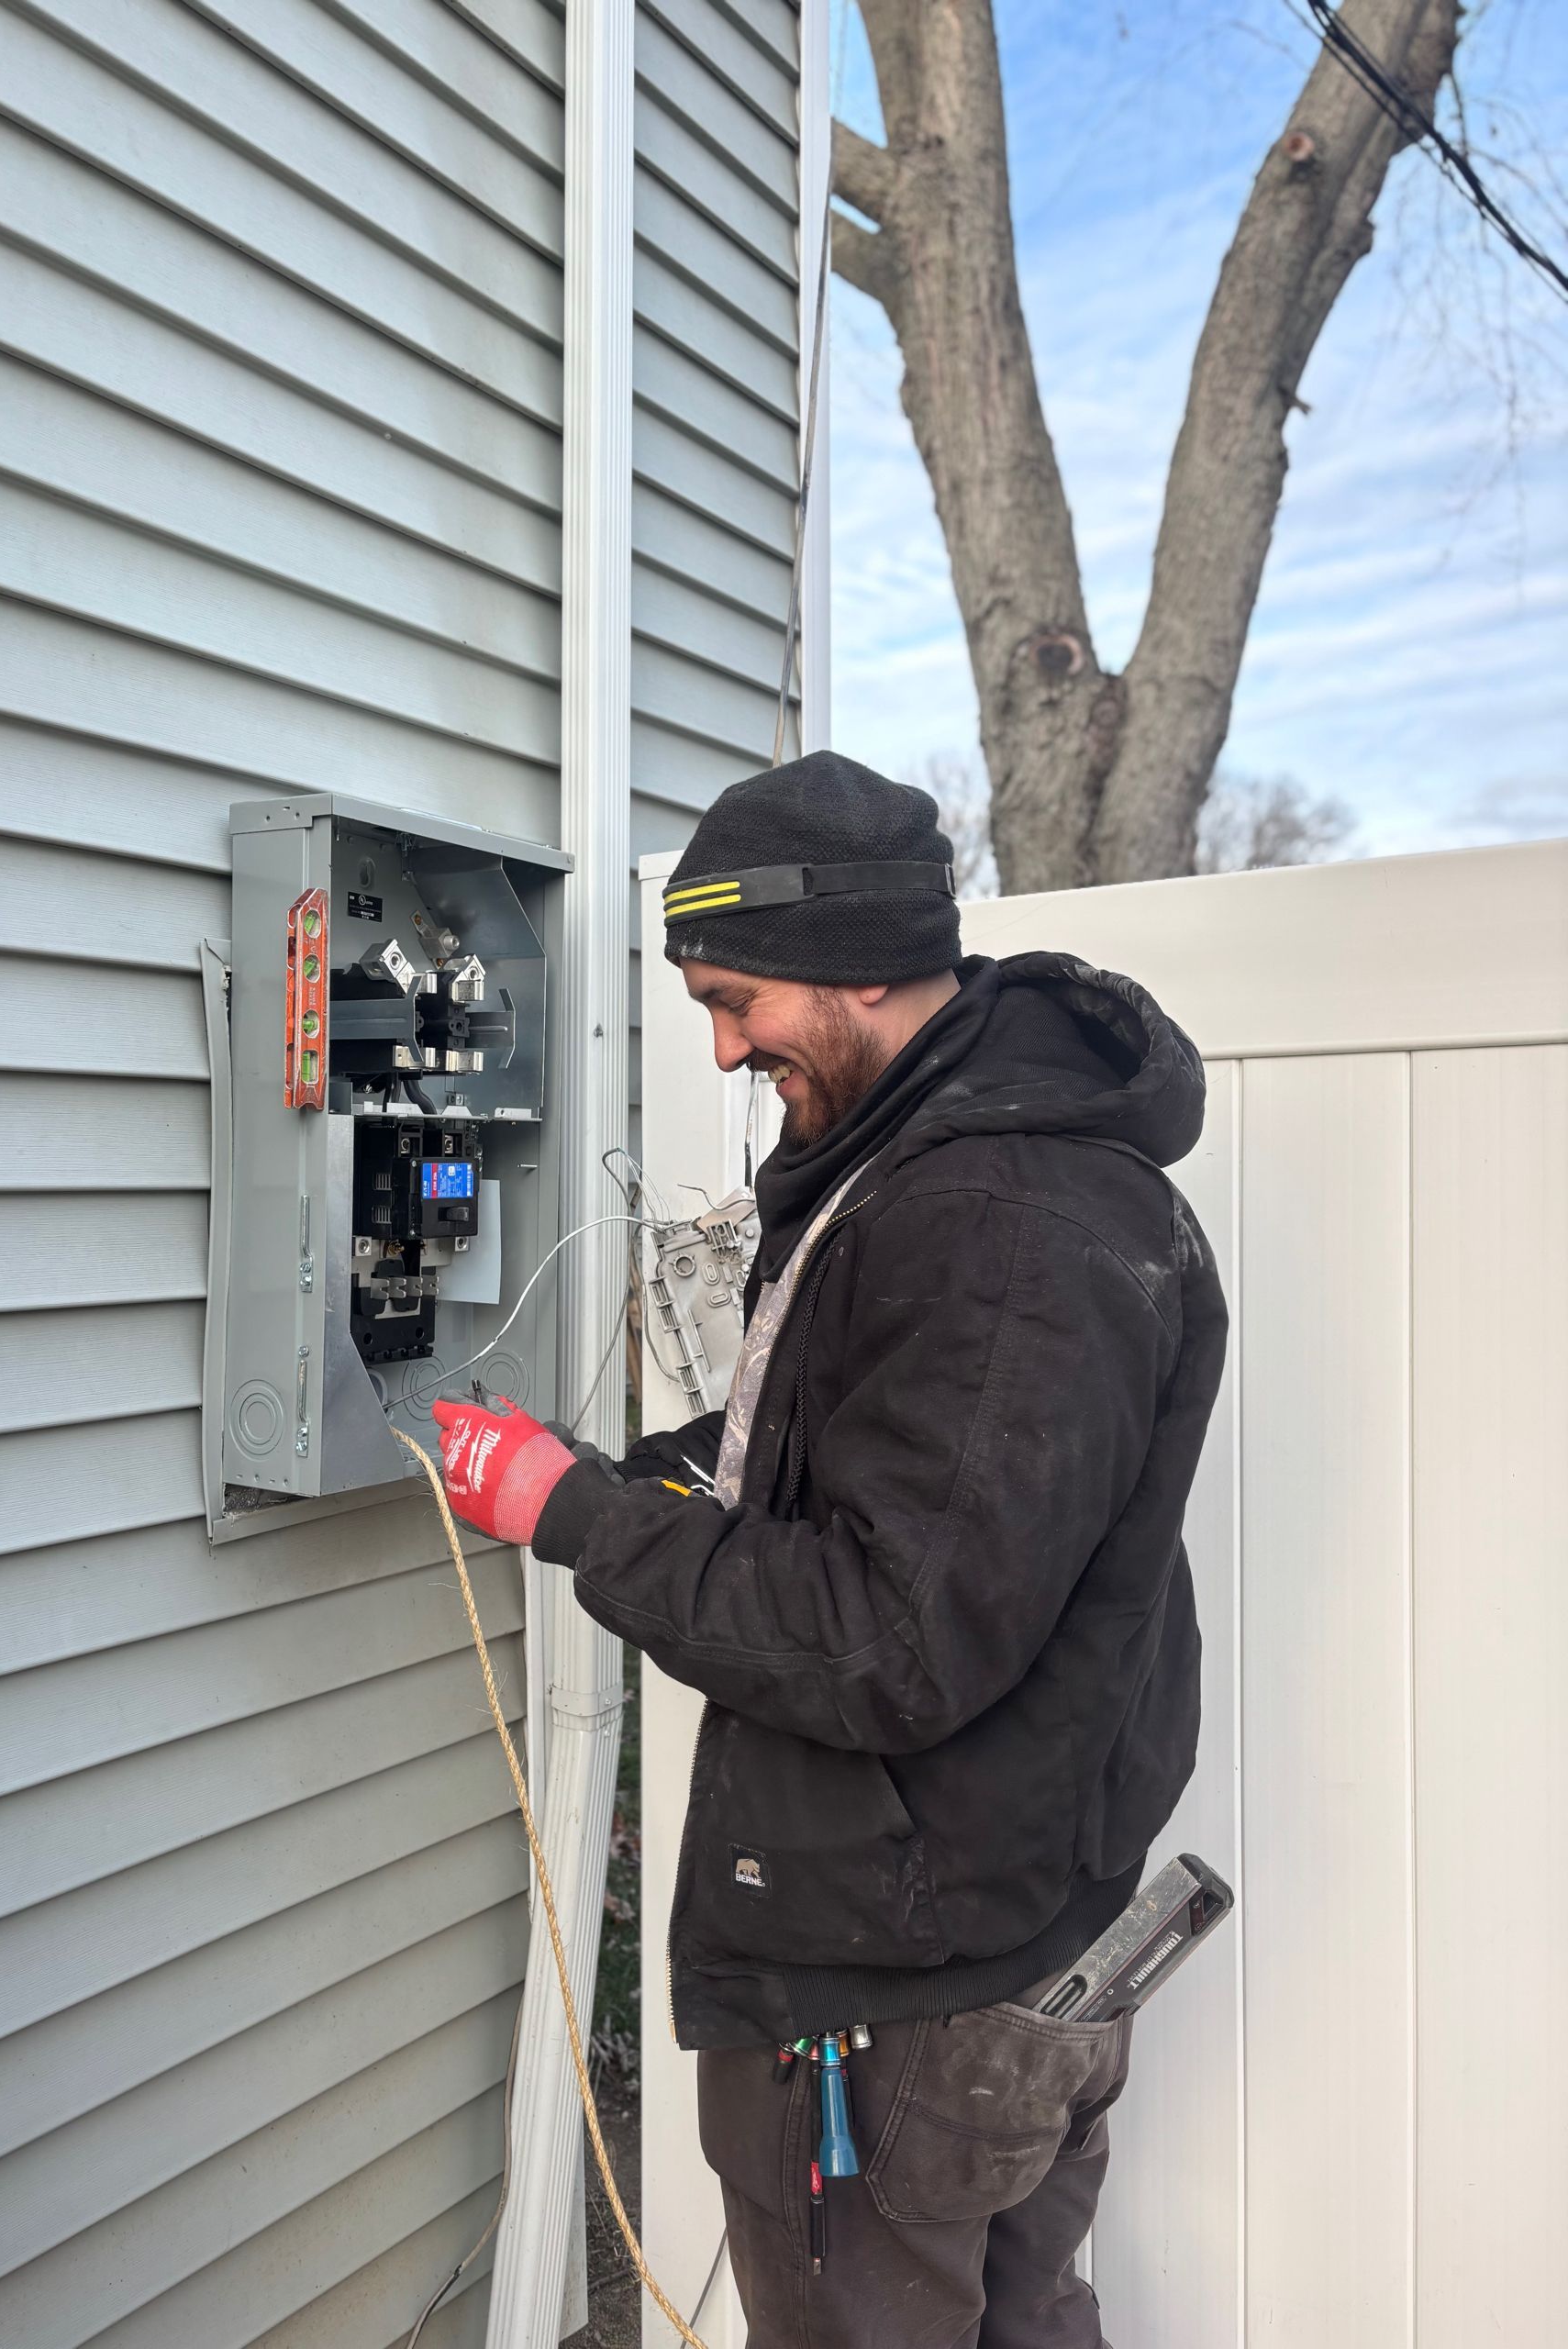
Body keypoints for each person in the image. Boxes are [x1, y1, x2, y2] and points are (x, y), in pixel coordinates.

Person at [432, 751, 1228, 2348]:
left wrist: (570, 1517)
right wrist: (600, 1475)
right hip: (1000, 1930)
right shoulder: (947, 1169)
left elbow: (887, 1637)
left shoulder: (1000, 1223)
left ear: (854, 954)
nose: (724, 1049)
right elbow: (844, 1470)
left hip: (901, 1998)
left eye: (736, 1000)